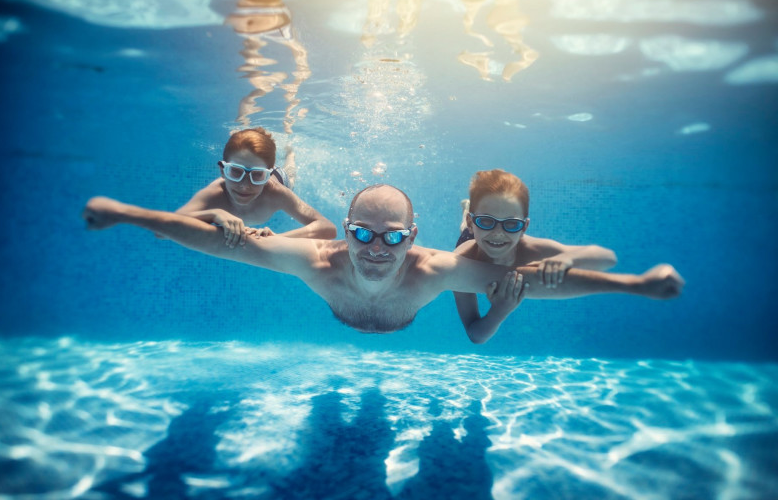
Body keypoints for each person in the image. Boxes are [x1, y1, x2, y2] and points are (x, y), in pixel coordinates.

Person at [82, 184, 684, 334]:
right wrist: (128, 214)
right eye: (363, 235)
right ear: (343, 232)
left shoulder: (438, 270)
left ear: (414, 237)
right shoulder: (316, 259)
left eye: (393, 238)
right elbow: (228, 243)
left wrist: (634, 285)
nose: (376, 249)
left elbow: (530, 282)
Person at [454, 169, 623, 344]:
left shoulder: (534, 249)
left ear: (524, 228)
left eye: (512, 224)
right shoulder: (460, 262)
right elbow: (475, 335)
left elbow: (608, 257)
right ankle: (466, 211)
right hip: (471, 239)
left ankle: (474, 214)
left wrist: (568, 258)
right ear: (472, 221)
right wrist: (499, 311)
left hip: (479, 234)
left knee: (475, 232)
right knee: (464, 231)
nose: (498, 233)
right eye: (487, 220)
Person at [176, 127, 336, 243]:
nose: (245, 185)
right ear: (223, 171)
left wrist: (278, 238)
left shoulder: (277, 193)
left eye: (257, 175)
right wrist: (213, 214)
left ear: (267, 175)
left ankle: (290, 154)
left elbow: (327, 228)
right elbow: (167, 225)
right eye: (236, 172)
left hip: (280, 179)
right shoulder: (216, 192)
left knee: (291, 175)